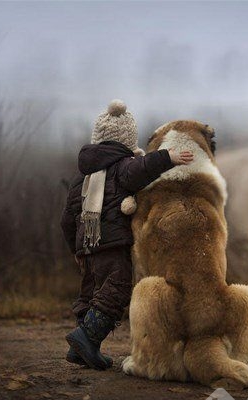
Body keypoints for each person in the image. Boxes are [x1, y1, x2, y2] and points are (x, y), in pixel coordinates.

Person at [61, 99, 193, 370]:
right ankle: (86, 337)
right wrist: (169, 157)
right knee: (117, 290)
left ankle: (84, 349)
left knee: (90, 294)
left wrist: (76, 249)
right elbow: (141, 169)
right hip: (111, 243)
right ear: (127, 142)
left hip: (86, 246)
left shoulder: (81, 179)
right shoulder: (122, 167)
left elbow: (67, 219)